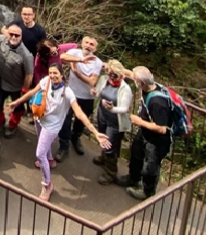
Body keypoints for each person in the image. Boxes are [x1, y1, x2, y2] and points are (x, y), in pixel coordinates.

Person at [8, 65, 111, 202]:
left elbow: (79, 113)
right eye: (50, 73)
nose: (52, 76)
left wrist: (95, 132)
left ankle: (47, 184)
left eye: (55, 73)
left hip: (52, 126)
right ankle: (50, 160)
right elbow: (33, 92)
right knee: (43, 147)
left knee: (39, 154)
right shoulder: (46, 81)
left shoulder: (68, 93)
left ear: (62, 75)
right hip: (40, 118)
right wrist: (17, 102)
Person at [116, 66, 172, 200]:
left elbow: (162, 128)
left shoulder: (157, 102)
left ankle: (147, 191)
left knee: (150, 166)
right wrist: (114, 67)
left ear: (142, 83)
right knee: (136, 153)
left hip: (157, 140)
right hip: (145, 132)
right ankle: (133, 178)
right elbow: (131, 73)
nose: (133, 80)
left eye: (136, 80)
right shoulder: (149, 85)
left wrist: (139, 121)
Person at [56, 36, 103, 159]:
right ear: (82, 43)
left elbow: (92, 82)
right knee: (65, 121)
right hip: (71, 94)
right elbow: (62, 57)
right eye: (86, 43)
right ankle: (63, 146)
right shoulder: (75, 53)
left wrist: (76, 72)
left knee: (80, 122)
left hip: (87, 97)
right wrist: (80, 60)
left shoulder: (97, 62)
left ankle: (75, 138)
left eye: (92, 44)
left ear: (95, 48)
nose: (88, 45)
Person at [93, 59, 133, 185]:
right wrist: (95, 92)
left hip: (115, 121)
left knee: (110, 146)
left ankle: (111, 173)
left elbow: (125, 109)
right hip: (102, 116)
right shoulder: (104, 79)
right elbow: (99, 93)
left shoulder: (125, 88)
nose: (111, 77)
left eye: (114, 75)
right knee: (103, 139)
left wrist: (112, 108)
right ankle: (104, 157)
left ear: (121, 74)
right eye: (109, 74)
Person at [0, 24, 34, 138]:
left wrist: (24, 91)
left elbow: (29, 75)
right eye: (11, 34)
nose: (14, 37)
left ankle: (13, 125)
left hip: (17, 87)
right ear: (7, 34)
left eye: (17, 35)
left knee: (18, 108)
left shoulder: (26, 55)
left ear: (21, 36)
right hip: (2, 82)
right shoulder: (3, 40)